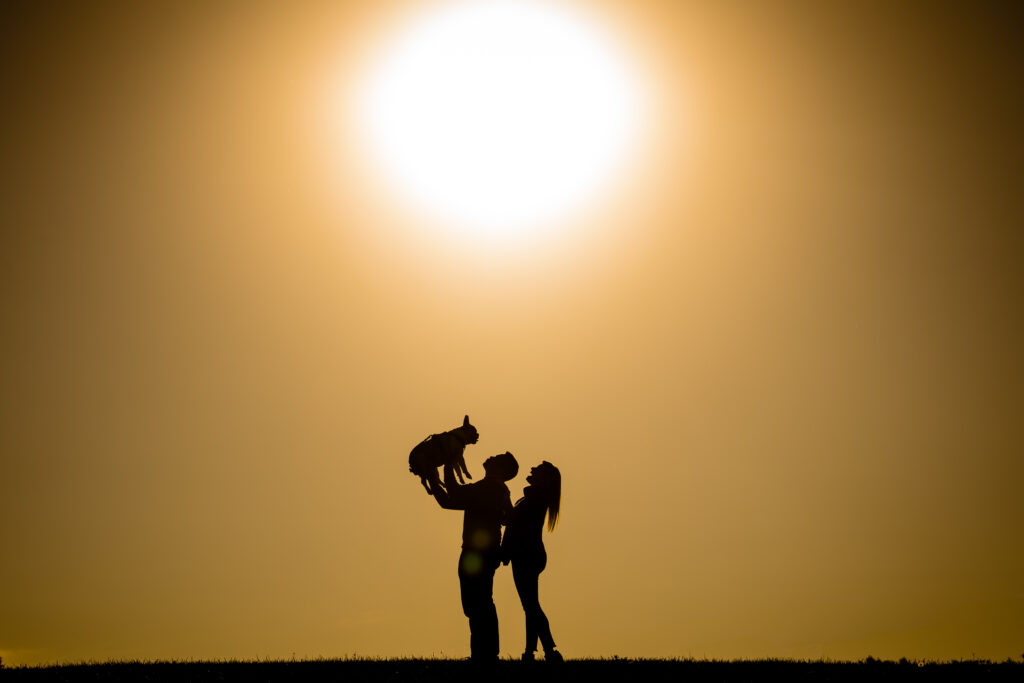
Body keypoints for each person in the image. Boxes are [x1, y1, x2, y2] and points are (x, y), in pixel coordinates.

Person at [432, 451, 519, 662]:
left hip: (477, 553)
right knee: (477, 603)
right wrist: (433, 478)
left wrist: (445, 464)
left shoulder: (490, 487)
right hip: (481, 553)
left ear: (501, 469)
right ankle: (483, 654)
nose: (491, 457)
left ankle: (486, 655)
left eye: (496, 458)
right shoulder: (495, 489)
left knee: (478, 604)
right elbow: (448, 501)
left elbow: (453, 493)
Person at [500, 461, 563, 662]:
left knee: (531, 606)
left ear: (543, 479)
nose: (532, 469)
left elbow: (513, 524)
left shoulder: (533, 499)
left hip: (526, 555)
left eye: (538, 470)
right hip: (529, 554)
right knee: (530, 605)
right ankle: (532, 651)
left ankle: (548, 650)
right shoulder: (534, 498)